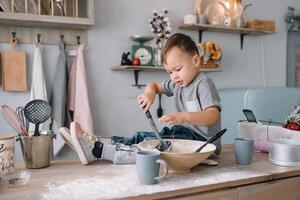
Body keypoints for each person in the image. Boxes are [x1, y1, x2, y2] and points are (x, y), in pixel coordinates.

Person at [116, 33, 222, 154]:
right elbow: (154, 85)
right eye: (169, 72)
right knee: (141, 138)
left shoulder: (203, 84)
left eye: (177, 69)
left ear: (196, 61)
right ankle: (110, 146)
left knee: (149, 143)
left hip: (203, 142)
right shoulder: (177, 83)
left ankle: (121, 150)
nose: (174, 76)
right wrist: (150, 93)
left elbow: (212, 116)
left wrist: (183, 117)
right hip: (183, 134)